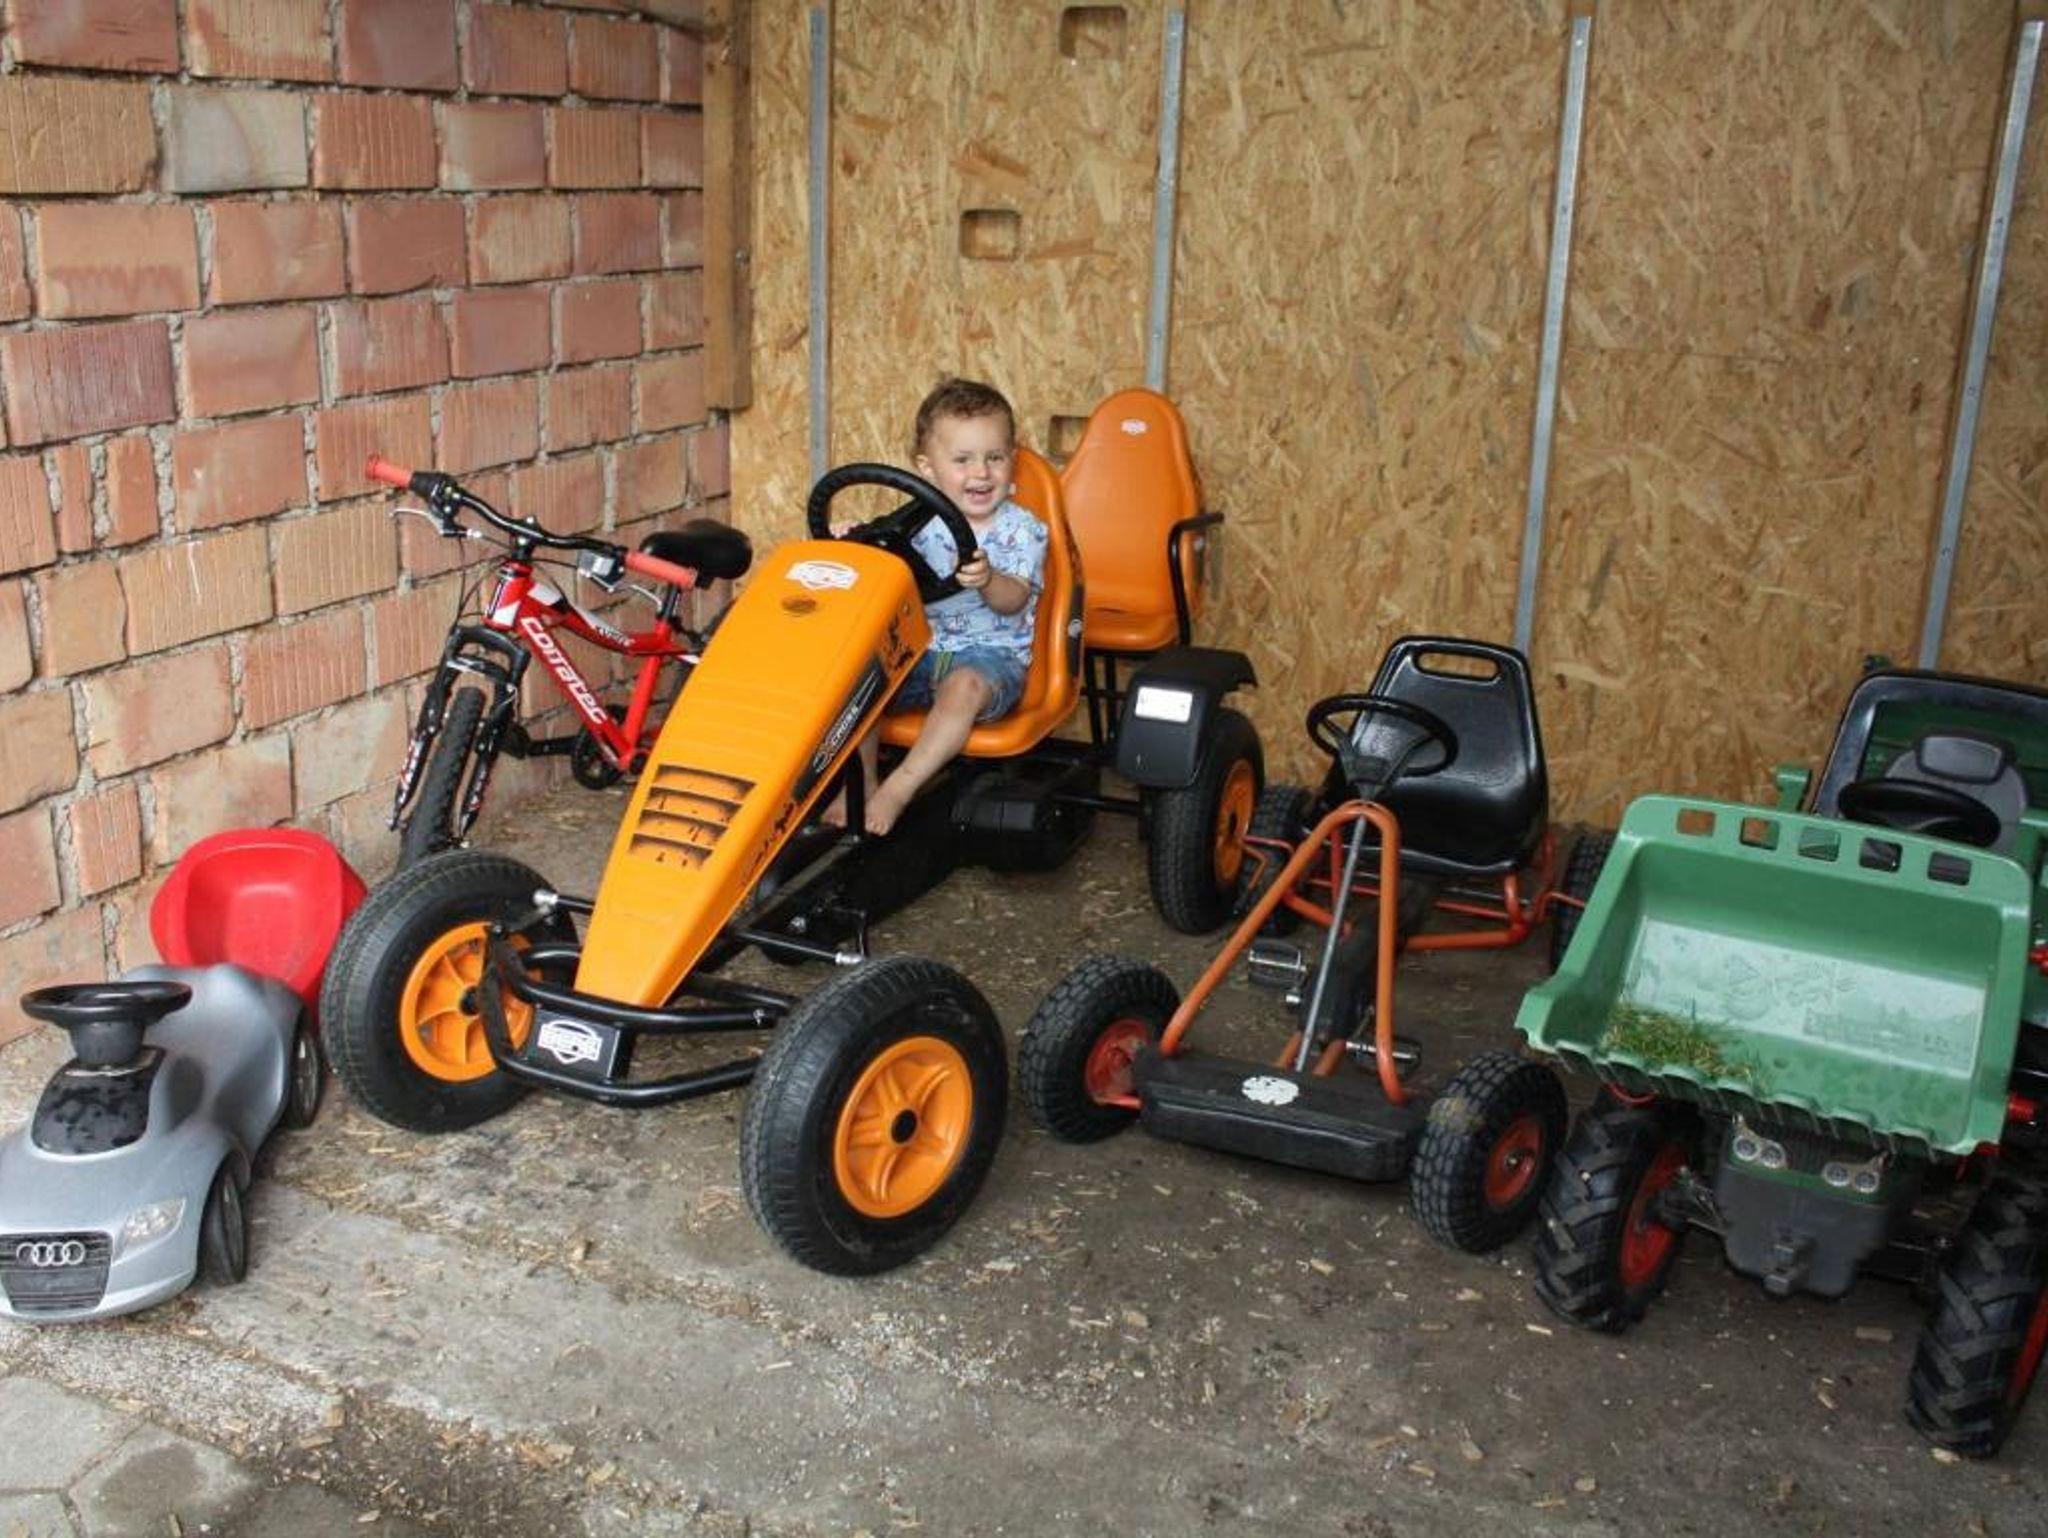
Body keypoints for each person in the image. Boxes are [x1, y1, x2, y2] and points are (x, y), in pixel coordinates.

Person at [839, 377, 1047, 836]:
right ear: (927, 467)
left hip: (992, 659)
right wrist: (856, 540)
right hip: (921, 651)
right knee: (859, 674)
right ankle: (860, 784)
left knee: (963, 686)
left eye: (995, 457)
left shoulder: (1022, 529)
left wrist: (990, 579)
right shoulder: (913, 524)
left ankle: (901, 786)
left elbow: (1014, 601)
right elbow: (883, 573)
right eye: (962, 460)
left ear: (1012, 459)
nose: (981, 473)